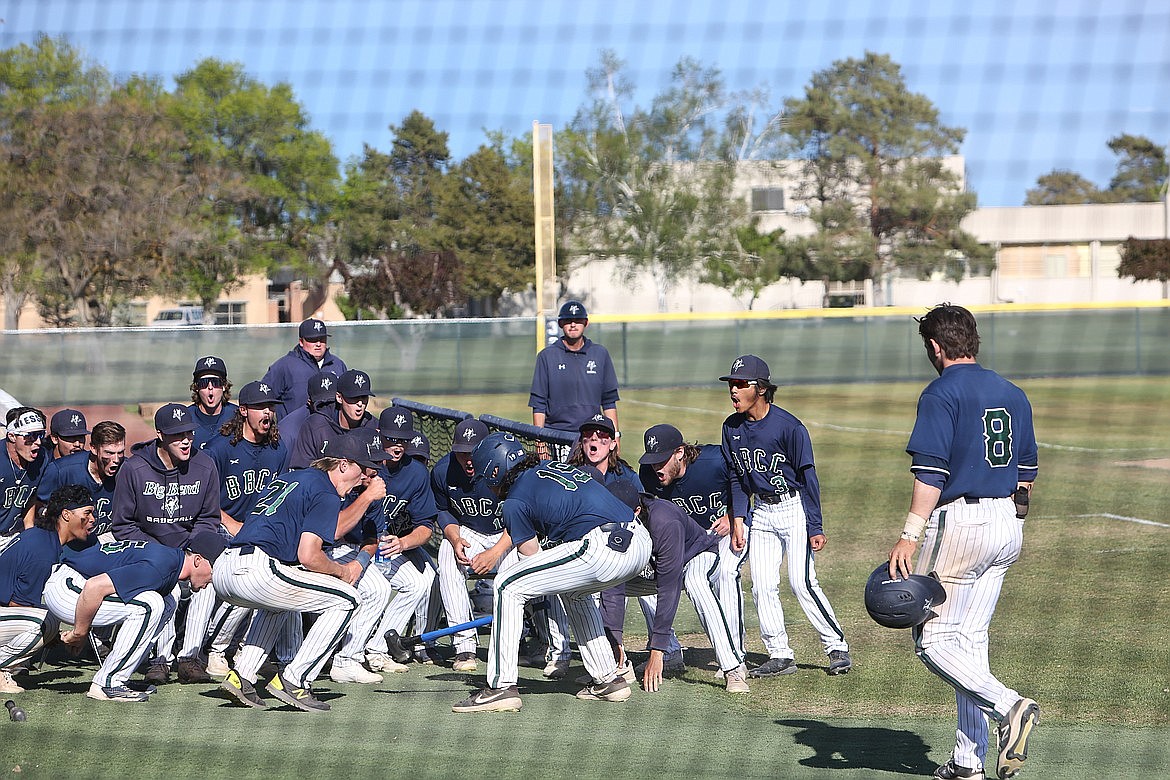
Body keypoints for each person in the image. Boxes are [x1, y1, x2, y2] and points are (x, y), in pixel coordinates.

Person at [885, 304, 1040, 780]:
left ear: (935, 347)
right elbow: (1027, 476)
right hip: (1007, 525)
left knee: (931, 641)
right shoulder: (1013, 392)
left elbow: (931, 475)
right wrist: (1006, 523)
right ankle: (968, 762)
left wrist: (909, 535)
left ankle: (1009, 706)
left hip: (960, 524)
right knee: (969, 642)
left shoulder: (940, 393)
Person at [452, 432, 652, 714]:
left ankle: (500, 687)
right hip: (640, 541)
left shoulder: (514, 501)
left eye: (487, 479)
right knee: (575, 592)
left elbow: (530, 556)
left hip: (601, 546)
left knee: (507, 586)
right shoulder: (547, 467)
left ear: (496, 472)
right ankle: (608, 679)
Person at [212, 432, 375, 712]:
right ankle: (295, 679)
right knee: (348, 599)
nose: (365, 478)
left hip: (225, 567)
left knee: (280, 604)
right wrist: (340, 571)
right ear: (344, 465)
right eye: (363, 468)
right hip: (257, 570)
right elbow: (309, 555)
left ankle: (242, 676)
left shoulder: (291, 478)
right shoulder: (325, 489)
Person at [718, 354, 852, 678]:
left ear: (760, 389)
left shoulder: (789, 427)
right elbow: (736, 477)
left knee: (802, 581)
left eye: (740, 384)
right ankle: (779, 654)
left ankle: (837, 646)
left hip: (793, 507)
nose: (733, 391)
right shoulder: (731, 428)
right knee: (761, 585)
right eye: (731, 385)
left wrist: (815, 524)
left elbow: (808, 478)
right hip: (760, 512)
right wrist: (739, 519)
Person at [45, 523, 222, 702]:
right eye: (214, 569)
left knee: (167, 601)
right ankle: (107, 683)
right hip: (67, 588)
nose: (213, 578)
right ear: (198, 560)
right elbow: (94, 587)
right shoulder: (161, 566)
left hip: (77, 585)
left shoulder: (170, 561)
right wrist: (80, 632)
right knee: (150, 605)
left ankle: (120, 677)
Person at [109, 403, 222, 685]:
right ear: (160, 434)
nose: (185, 440)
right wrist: (160, 554)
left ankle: (190, 658)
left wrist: (194, 553)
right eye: (176, 434)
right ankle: (160, 659)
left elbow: (209, 519)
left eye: (189, 433)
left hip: (190, 549)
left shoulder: (205, 465)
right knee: (166, 584)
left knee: (206, 581)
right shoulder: (134, 468)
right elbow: (123, 525)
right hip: (150, 552)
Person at [603, 481, 749, 695]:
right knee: (596, 583)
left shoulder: (664, 520)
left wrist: (656, 650)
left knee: (695, 582)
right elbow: (611, 580)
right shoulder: (605, 520)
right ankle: (618, 662)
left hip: (696, 555)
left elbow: (668, 587)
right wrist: (615, 642)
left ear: (637, 510)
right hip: (653, 567)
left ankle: (732, 668)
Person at [568, 413, 684, 679]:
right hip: (587, 552)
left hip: (627, 552)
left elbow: (645, 520)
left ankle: (668, 648)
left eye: (602, 436)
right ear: (581, 443)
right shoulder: (571, 475)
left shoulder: (628, 477)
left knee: (646, 579)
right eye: (588, 436)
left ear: (613, 443)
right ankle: (581, 655)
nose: (594, 441)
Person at [638, 422, 747, 672]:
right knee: (645, 582)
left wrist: (734, 516)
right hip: (689, 541)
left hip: (726, 531)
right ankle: (669, 651)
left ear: (679, 452)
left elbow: (741, 481)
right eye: (652, 460)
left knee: (726, 576)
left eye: (661, 460)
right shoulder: (648, 474)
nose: (656, 467)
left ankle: (735, 657)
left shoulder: (714, 461)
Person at [202, 381, 293, 678]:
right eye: (260, 408)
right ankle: (216, 649)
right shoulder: (219, 449)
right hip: (220, 528)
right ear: (243, 411)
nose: (268, 413)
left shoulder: (278, 449)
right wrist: (235, 526)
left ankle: (249, 648)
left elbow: (279, 497)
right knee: (249, 578)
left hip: (261, 533)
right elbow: (204, 500)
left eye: (271, 408)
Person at [353, 406, 439, 669]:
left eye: (403, 439)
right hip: (353, 544)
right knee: (374, 590)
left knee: (419, 583)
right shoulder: (364, 464)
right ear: (379, 435)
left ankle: (378, 648)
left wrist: (403, 542)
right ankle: (348, 653)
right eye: (392, 438)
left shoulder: (416, 473)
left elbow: (426, 525)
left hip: (388, 547)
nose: (398, 445)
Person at [0, 484, 95, 694]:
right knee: (44, 623)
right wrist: (55, 637)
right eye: (87, 513)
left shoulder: (43, 539)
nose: (92, 520)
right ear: (66, 515)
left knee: (47, 621)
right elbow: (18, 604)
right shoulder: (43, 549)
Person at [431, 418, 499, 672]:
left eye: (473, 452)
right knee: (447, 554)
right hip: (471, 533)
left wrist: (495, 552)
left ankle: (547, 645)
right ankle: (464, 646)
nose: (467, 459)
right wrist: (454, 537)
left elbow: (523, 518)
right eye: (461, 453)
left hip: (507, 536)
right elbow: (442, 510)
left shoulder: (501, 466)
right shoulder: (442, 472)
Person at [529, 300, 620, 438]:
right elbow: (539, 404)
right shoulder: (547, 356)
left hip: (592, 434)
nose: (573, 324)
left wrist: (616, 436)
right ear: (560, 324)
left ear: (586, 323)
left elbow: (609, 401)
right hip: (556, 435)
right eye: (568, 320)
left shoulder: (600, 354)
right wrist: (539, 440)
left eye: (578, 320)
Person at [35, 421, 127, 538]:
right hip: (71, 541)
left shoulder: (128, 470)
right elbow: (37, 504)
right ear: (93, 448)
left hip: (111, 536)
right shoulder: (61, 470)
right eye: (109, 453)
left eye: (120, 453)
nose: (116, 460)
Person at [289, 368, 376, 470]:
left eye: (364, 397)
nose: (360, 404)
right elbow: (301, 469)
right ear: (339, 398)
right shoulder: (316, 425)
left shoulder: (373, 426)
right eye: (353, 398)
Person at [262, 318, 348, 420]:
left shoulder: (337, 364)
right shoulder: (284, 366)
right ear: (301, 342)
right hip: (295, 432)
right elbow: (263, 398)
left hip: (331, 432)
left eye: (322, 339)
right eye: (313, 340)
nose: (318, 344)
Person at [0, 408, 47, 549]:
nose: (38, 442)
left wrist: (30, 532)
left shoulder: (41, 457)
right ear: (12, 436)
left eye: (41, 434)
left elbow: (30, 496)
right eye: (30, 436)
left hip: (15, 532)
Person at [277, 371, 338, 453]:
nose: (328, 409)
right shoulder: (290, 431)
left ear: (340, 399)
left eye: (332, 403)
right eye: (321, 405)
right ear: (309, 402)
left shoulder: (350, 418)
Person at [187, 356, 238, 451]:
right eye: (204, 383)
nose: (210, 387)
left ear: (224, 386)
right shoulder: (186, 418)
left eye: (216, 382)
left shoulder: (237, 416)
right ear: (197, 388)